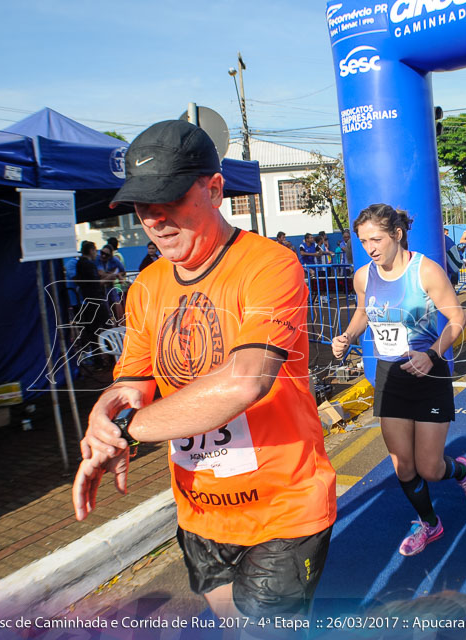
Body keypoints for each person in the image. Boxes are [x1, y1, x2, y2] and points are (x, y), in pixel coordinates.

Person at [71, 120, 336, 622]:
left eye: (168, 198)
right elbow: (132, 383)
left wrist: (129, 432)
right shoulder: (146, 287)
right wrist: (102, 422)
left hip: (282, 507)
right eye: (141, 205)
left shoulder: (269, 266)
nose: (153, 217)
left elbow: (246, 380)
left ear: (215, 189)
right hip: (200, 510)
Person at [331, 203, 466, 557]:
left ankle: (461, 472)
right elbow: (362, 312)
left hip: (428, 373)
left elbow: (457, 317)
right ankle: (429, 523)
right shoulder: (363, 276)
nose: (370, 248)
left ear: (396, 235)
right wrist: (348, 336)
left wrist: (432, 354)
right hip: (390, 375)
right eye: (363, 240)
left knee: (430, 468)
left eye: (377, 239)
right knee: (402, 465)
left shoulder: (425, 271)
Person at [72, 241, 112, 360]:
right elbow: (96, 284)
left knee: (93, 331)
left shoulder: (79, 264)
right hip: (96, 300)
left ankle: (98, 360)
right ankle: (112, 357)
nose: (97, 254)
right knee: (106, 327)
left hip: (87, 300)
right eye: (95, 251)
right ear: (91, 250)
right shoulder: (89, 264)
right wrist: (109, 277)